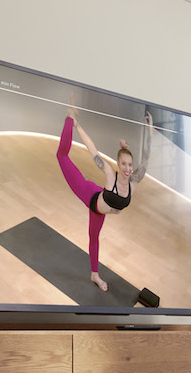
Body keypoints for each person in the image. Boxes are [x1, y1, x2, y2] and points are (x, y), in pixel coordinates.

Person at [55, 108, 154, 292]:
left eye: (130, 165)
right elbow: (92, 149)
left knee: (94, 238)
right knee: (61, 156)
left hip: (100, 211)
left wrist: (149, 132)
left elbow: (146, 158)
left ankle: (94, 275)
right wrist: (77, 126)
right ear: (118, 164)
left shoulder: (134, 183)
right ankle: (69, 119)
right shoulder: (110, 175)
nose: (127, 168)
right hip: (89, 195)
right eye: (123, 164)